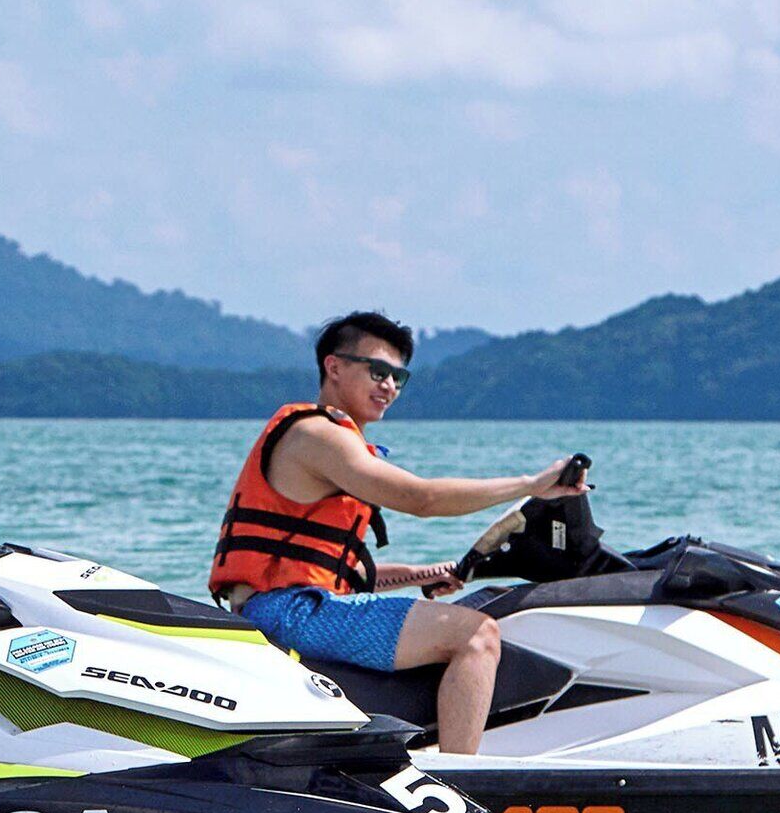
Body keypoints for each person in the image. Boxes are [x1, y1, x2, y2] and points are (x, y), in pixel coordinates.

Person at [207, 312, 582, 759]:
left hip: (293, 607)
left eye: (399, 377)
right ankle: (462, 778)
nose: (389, 386)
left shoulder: (332, 440)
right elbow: (420, 498)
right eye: (377, 371)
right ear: (334, 366)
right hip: (286, 615)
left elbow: (333, 575)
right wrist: (530, 484)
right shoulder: (317, 434)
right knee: (477, 635)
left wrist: (421, 573)